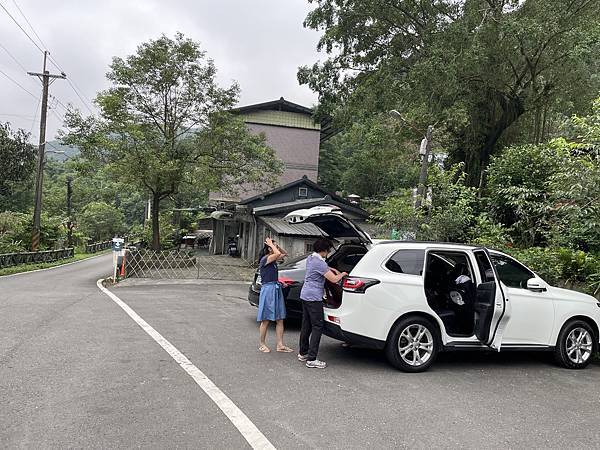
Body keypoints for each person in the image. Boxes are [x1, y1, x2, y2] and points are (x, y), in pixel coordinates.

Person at [298, 238, 347, 369]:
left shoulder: (311, 258)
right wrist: (342, 274)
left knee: (306, 325)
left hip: (305, 295)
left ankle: (303, 353)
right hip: (314, 298)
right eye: (328, 250)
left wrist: (331, 268)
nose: (329, 252)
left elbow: (324, 268)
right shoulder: (320, 264)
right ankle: (312, 359)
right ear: (324, 250)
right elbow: (334, 279)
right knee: (317, 327)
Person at [256, 237, 293, 353]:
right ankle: (262, 344)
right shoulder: (266, 259)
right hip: (268, 290)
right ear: (269, 249)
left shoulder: (273, 259)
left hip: (275, 289)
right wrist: (272, 245)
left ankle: (280, 345)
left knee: (280, 319)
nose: (276, 248)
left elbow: (284, 254)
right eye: (274, 247)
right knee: (266, 319)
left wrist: (275, 245)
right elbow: (277, 253)